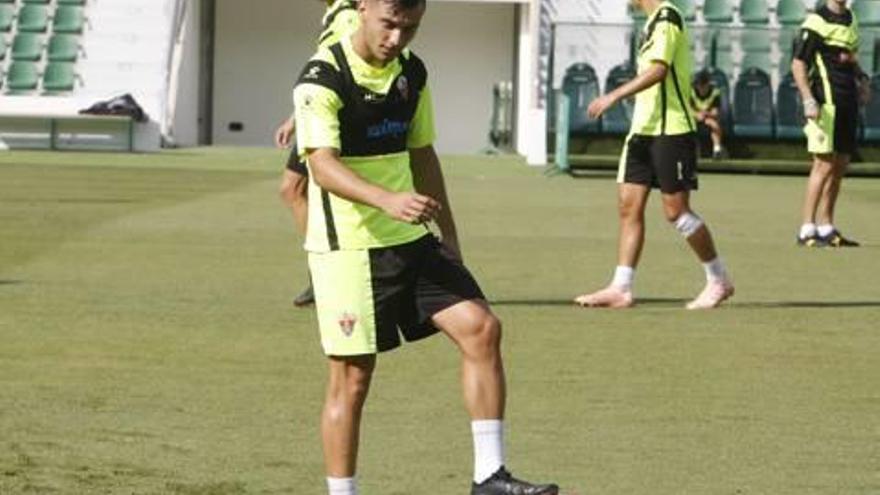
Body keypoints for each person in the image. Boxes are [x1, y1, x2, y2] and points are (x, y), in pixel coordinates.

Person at [293, 1, 559, 494]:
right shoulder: (322, 76)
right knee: (352, 380)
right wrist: (386, 199)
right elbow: (321, 166)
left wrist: (450, 236)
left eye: (409, 27)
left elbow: (422, 153)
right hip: (348, 250)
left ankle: (489, 477)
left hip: (411, 241)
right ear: (363, 8)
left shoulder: (412, 72)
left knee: (482, 329)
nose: (397, 37)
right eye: (388, 24)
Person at [573, 0, 734, 310]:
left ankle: (718, 279)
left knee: (676, 212)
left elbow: (659, 70)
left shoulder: (668, 16)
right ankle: (621, 287)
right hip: (641, 132)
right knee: (628, 207)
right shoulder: (648, 25)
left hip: (671, 131)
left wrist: (614, 95)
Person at [275, 0, 362, 307]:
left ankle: (326, 271)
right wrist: (294, 118)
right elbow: (324, 74)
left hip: (329, 123)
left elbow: (344, 71)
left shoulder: (347, 16)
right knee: (292, 190)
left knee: (294, 189)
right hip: (317, 117)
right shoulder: (337, 13)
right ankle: (323, 271)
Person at [792, 0, 869, 247]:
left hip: (848, 102)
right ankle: (806, 228)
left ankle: (826, 227)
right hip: (826, 103)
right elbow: (798, 63)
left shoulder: (852, 19)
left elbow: (849, 56)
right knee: (823, 164)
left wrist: (862, 79)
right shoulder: (816, 21)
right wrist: (807, 99)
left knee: (840, 165)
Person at [690, 70, 725, 159]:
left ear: (708, 84)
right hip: (693, 118)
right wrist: (696, 115)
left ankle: (717, 150)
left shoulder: (715, 92)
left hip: (709, 118)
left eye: (703, 85)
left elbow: (715, 112)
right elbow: (687, 108)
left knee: (714, 125)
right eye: (699, 85)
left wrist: (706, 115)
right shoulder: (691, 92)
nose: (701, 87)